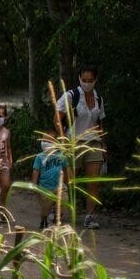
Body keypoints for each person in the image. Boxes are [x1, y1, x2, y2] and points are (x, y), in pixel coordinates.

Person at [55, 65, 106, 229]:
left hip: (93, 143)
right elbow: (57, 118)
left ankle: (90, 216)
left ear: (95, 80)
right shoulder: (71, 96)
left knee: (93, 182)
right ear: (79, 79)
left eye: (90, 80)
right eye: (84, 80)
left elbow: (99, 123)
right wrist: (62, 138)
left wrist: (104, 144)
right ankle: (59, 212)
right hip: (74, 141)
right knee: (69, 181)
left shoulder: (99, 99)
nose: (87, 83)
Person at [31, 134, 72, 229]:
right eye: (43, 140)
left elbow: (67, 168)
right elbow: (36, 171)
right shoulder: (40, 157)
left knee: (63, 203)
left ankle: (57, 219)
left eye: (49, 141)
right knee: (45, 209)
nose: (45, 143)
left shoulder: (61, 156)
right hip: (45, 188)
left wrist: (70, 181)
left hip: (60, 187)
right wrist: (34, 184)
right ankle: (43, 220)